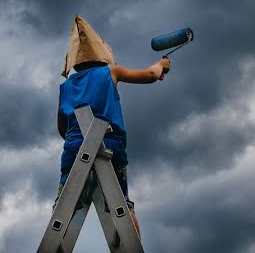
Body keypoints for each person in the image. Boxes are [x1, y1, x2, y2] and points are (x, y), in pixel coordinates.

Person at [55, 14, 171, 238]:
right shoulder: (110, 72)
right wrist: (161, 65)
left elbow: (62, 127)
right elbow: (149, 75)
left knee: (64, 207)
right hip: (109, 146)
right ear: (103, 53)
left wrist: (78, 140)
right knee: (122, 206)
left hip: (73, 149)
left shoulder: (66, 87)